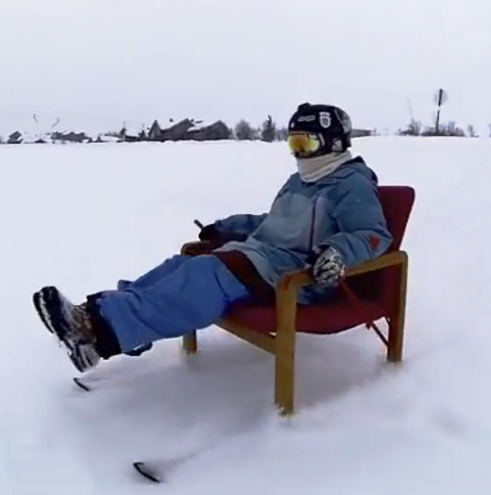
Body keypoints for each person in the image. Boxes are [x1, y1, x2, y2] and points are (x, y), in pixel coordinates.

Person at [32, 103, 392, 373]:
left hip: (301, 277)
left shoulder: (351, 183)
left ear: (333, 143)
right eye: (293, 143)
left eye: (306, 143)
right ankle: (94, 320)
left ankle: (101, 330)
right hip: (266, 260)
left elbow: (373, 234)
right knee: (183, 262)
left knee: (206, 273)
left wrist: (337, 253)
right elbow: (272, 222)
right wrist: (226, 227)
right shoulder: (301, 180)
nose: (299, 152)